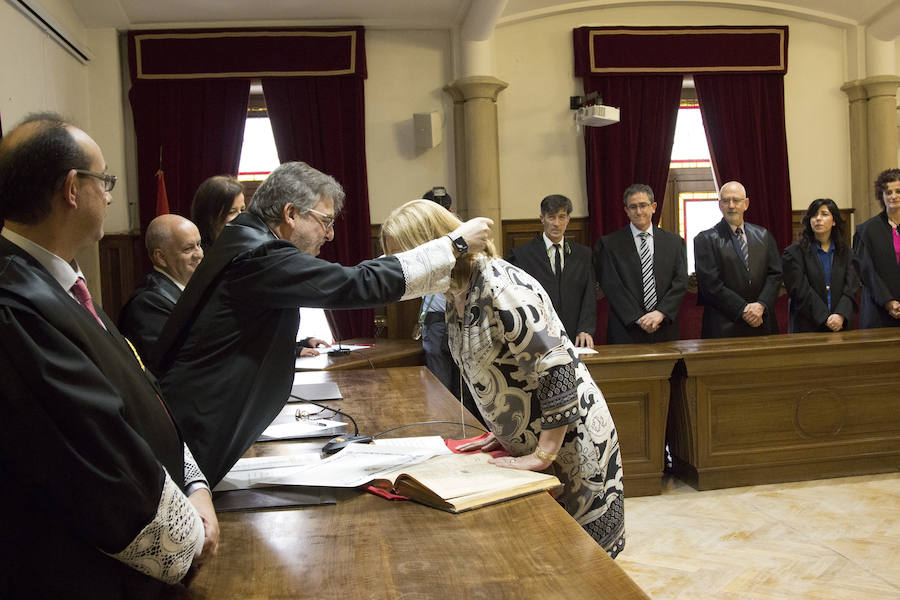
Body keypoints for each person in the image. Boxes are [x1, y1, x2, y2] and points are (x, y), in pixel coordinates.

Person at [153, 162, 493, 486]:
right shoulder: (259, 255)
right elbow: (355, 283)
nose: (330, 235)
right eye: (325, 221)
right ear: (291, 213)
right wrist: (455, 245)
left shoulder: (245, 240)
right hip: (195, 428)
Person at [0, 113, 217, 598]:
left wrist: (196, 486)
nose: (112, 195)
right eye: (107, 181)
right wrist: (191, 538)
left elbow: (143, 392)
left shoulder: (59, 282)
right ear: (73, 189)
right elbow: (93, 455)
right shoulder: (16, 304)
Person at [380, 199, 625, 558]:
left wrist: (544, 454)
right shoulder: (454, 293)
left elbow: (556, 368)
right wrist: (502, 425)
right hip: (533, 437)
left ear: (434, 246)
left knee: (584, 562)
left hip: (571, 441)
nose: (405, 270)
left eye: (408, 258)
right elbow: (500, 367)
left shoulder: (497, 283)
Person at [594, 184, 687, 343]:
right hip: (626, 330)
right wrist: (638, 318)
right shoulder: (609, 244)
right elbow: (612, 285)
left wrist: (660, 313)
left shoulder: (675, 242)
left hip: (664, 327)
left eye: (643, 205)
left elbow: (680, 282)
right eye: (633, 207)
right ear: (626, 211)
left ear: (653, 207)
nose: (638, 211)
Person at [504, 194, 596, 347]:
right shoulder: (521, 256)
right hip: (537, 336)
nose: (556, 223)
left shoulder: (583, 255)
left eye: (561, 217)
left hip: (575, 337)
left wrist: (585, 329)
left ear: (568, 219)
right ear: (542, 218)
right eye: (551, 217)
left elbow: (589, 295)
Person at [694, 181, 782, 338]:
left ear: (746, 204)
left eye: (736, 200)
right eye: (726, 201)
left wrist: (761, 305)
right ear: (720, 205)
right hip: (723, 326)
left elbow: (775, 275)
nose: (731, 205)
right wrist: (744, 309)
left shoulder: (764, 235)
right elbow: (710, 285)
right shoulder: (705, 239)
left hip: (762, 323)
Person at [118, 213, 203, 361]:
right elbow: (174, 362)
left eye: (199, 245)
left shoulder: (192, 288)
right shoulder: (147, 304)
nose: (199, 254)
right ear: (161, 257)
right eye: (188, 249)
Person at [782, 199, 860, 333]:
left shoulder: (847, 253)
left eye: (824, 214)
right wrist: (826, 318)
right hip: (807, 325)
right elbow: (800, 291)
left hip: (840, 324)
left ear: (834, 221)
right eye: (814, 215)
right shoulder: (793, 253)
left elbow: (851, 288)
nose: (818, 219)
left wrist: (840, 315)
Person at [853, 168, 900, 328]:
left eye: (898, 191)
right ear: (882, 196)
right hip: (878, 309)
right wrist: (888, 301)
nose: (893, 196)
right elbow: (866, 271)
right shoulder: (866, 230)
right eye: (888, 192)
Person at [190, 174, 245, 250]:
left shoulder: (247, 244)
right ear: (210, 216)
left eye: (242, 210)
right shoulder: (197, 253)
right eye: (231, 212)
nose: (242, 217)